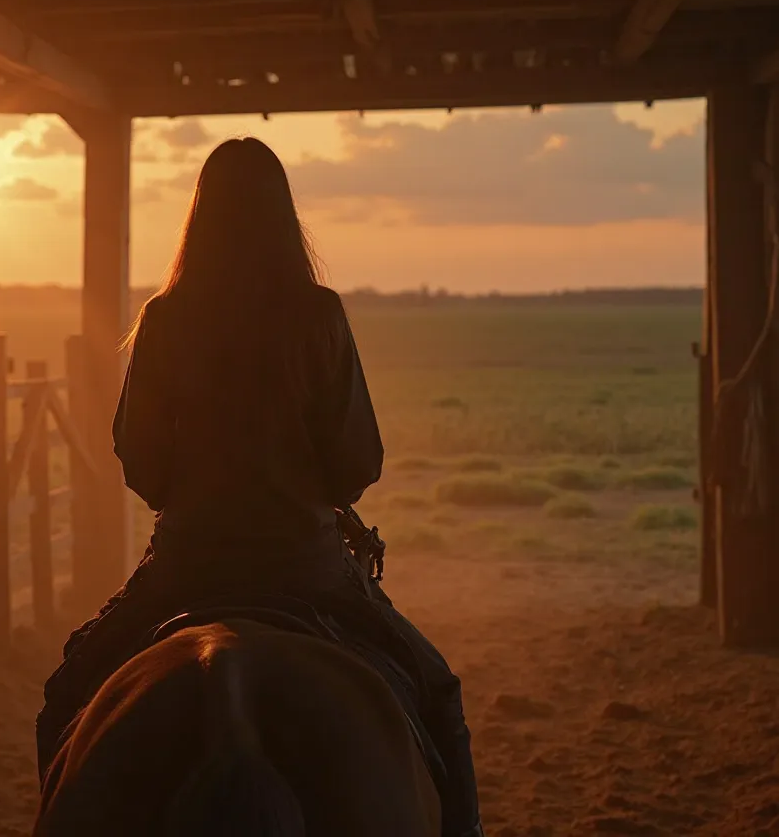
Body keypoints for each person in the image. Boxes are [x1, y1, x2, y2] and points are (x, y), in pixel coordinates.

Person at [36, 137, 484, 837]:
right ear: (284, 215)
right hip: (307, 568)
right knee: (437, 693)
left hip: (188, 566)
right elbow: (357, 462)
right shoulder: (320, 315)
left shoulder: (165, 318)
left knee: (66, 693)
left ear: (199, 215)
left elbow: (141, 461)